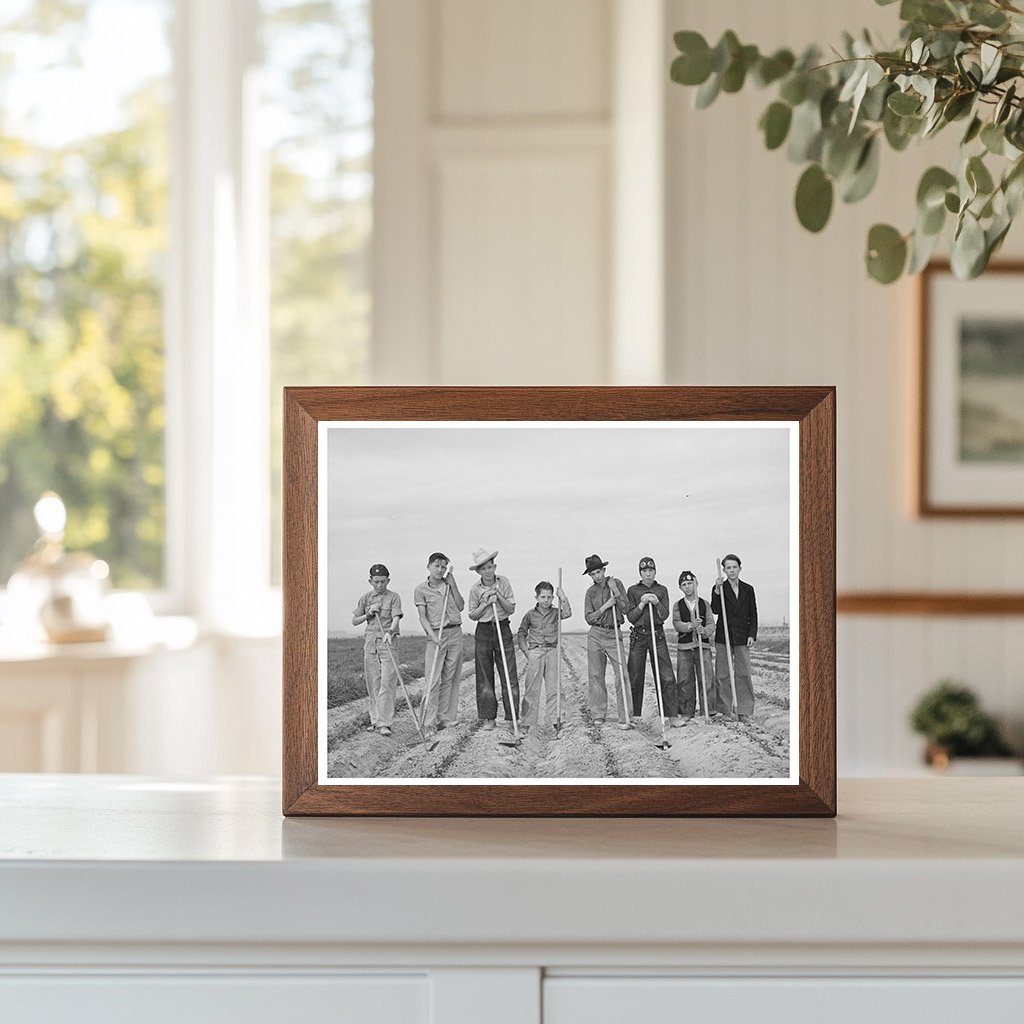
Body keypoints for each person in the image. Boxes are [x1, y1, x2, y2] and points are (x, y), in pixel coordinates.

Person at [467, 548, 519, 732]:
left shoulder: (504, 582)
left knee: (509, 673)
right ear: (478, 572)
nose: (487, 571)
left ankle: (512, 718)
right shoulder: (474, 589)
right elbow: (472, 615)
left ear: (494, 566)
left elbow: (511, 608)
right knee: (484, 675)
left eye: (490, 567)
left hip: (502, 627)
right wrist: (486, 603)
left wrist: (498, 597)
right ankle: (489, 717)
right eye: (483, 569)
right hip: (484, 631)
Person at [413, 552, 466, 735]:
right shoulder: (421, 590)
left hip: (455, 632)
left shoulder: (449, 585)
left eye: (443, 567)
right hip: (436, 634)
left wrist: (453, 584)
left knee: (450, 678)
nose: (440, 570)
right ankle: (428, 723)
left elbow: (461, 606)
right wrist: (431, 635)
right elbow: (422, 617)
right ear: (428, 566)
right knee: (433, 680)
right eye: (436, 566)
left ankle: (444, 718)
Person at [625, 556, 680, 727]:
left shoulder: (662, 590)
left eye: (651, 570)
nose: (648, 574)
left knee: (667, 676)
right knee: (635, 675)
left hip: (658, 634)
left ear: (655, 572)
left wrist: (656, 602)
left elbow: (664, 615)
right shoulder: (633, 590)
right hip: (639, 636)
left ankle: (671, 716)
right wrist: (641, 604)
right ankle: (634, 716)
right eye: (644, 571)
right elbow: (631, 617)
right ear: (640, 573)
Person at [351, 562, 403, 737]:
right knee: (373, 682)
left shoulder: (394, 597)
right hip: (370, 643)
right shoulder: (365, 598)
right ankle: (375, 721)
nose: (380, 585)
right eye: (376, 582)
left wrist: (390, 631)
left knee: (387, 682)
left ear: (388, 580)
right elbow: (354, 621)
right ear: (370, 581)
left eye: (383, 581)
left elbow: (396, 618)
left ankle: (385, 723)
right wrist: (368, 613)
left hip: (388, 641)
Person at [582, 554, 631, 729]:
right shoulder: (590, 592)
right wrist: (605, 606)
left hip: (613, 633)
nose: (596, 576)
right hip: (595, 634)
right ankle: (598, 714)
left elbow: (626, 609)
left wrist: (615, 592)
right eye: (593, 574)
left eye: (598, 572)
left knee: (622, 674)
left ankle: (625, 715)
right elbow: (589, 618)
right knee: (596, 675)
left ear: (604, 570)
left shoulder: (616, 583)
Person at [516, 580, 572, 734]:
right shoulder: (530, 615)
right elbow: (521, 633)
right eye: (543, 597)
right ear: (537, 597)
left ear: (553, 597)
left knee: (554, 688)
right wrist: (526, 652)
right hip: (536, 652)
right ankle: (526, 723)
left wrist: (563, 597)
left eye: (549, 597)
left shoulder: (556, 613)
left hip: (552, 651)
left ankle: (557, 721)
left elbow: (568, 613)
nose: (546, 600)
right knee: (532, 688)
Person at [711, 553, 758, 723]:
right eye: (728, 568)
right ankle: (725, 710)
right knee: (723, 674)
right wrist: (717, 591)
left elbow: (753, 614)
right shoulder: (720, 587)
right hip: (724, 636)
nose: (731, 570)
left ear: (739, 569)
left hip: (742, 636)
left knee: (743, 673)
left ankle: (743, 711)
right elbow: (715, 610)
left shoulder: (748, 589)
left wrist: (751, 634)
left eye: (734, 567)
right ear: (724, 570)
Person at [672, 570, 718, 723]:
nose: (687, 586)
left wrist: (703, 631)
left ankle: (709, 710)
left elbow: (711, 624)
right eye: (684, 584)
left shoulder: (704, 604)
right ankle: (686, 712)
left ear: (696, 584)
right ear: (680, 587)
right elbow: (677, 623)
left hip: (702, 646)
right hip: (684, 648)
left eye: (690, 583)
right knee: (684, 679)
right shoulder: (678, 605)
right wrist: (690, 626)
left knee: (707, 678)